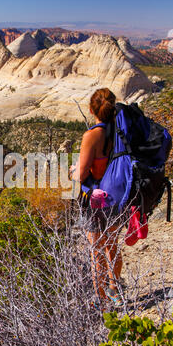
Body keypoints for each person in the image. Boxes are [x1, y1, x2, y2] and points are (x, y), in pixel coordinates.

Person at [71, 88, 124, 309]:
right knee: (112, 243)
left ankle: (101, 301)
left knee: (96, 251)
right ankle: (115, 289)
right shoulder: (120, 130)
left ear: (92, 110)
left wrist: (72, 171)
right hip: (118, 194)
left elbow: (82, 174)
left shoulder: (92, 135)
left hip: (96, 199)